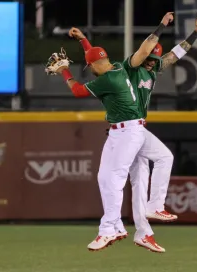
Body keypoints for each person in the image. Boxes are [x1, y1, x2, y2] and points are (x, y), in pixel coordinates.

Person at [45, 12, 174, 254]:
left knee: (113, 178)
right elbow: (96, 56)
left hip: (128, 133)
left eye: (89, 66)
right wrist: (84, 40)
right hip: (129, 131)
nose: (89, 69)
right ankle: (146, 226)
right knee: (136, 173)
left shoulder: (108, 80)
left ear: (93, 66)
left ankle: (111, 228)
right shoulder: (117, 67)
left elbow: (78, 91)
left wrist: (65, 70)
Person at [68, 14, 197, 227]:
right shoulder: (129, 68)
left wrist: (196, 32)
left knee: (148, 172)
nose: (152, 63)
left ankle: (146, 222)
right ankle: (122, 225)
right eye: (150, 59)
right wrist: (84, 41)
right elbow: (99, 62)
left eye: (155, 60)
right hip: (126, 130)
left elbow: (176, 54)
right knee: (131, 180)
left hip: (136, 130)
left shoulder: (155, 69)